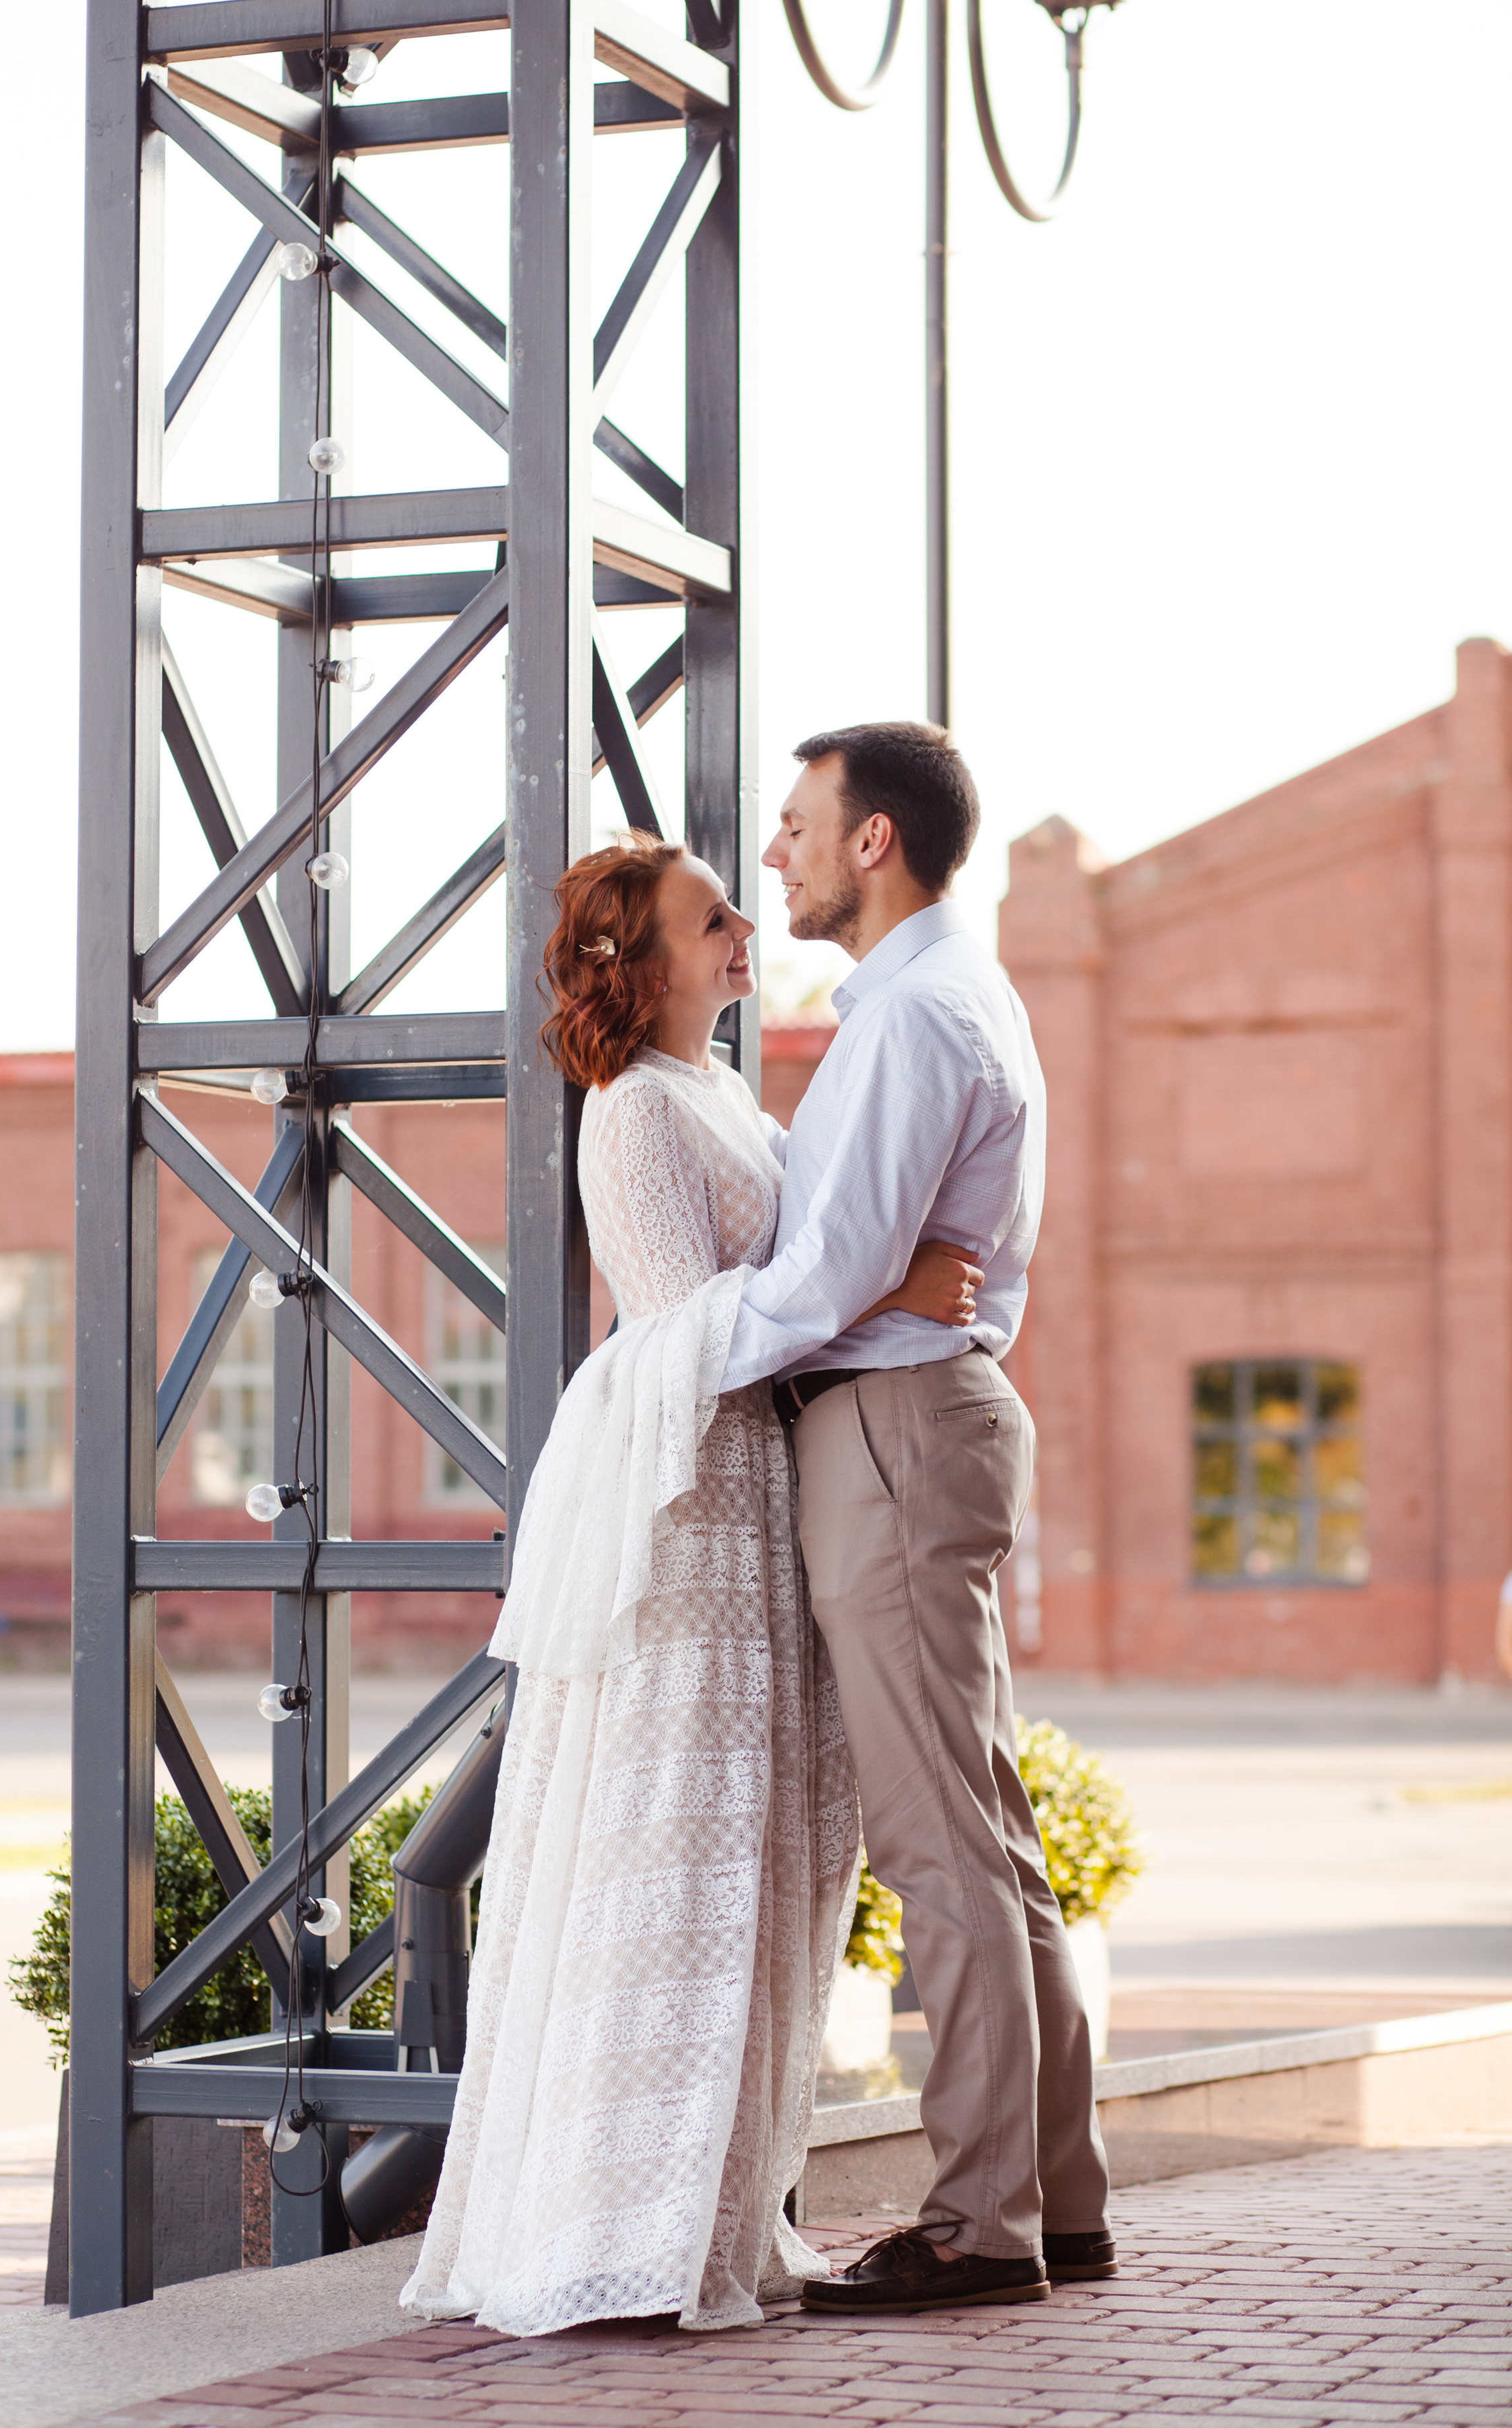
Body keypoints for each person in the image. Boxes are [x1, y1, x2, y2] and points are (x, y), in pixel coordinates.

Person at [400, 836, 978, 2336]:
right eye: (707, 919)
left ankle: (716, 2221)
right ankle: (611, 2230)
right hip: (682, 1511)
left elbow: (795, 1264)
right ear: (638, 965)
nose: (740, 932)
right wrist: (884, 1289)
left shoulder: (723, 1096)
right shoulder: (634, 1114)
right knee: (676, 1840)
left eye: (734, 909)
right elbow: (685, 1332)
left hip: (753, 1497)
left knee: (764, 1849)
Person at [715, 720, 1114, 2315]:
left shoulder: (909, 1018)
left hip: (885, 1429)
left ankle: (978, 2226)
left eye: (798, 825)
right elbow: (865, 1260)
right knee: (989, 1841)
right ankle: (1053, 2205)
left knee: (938, 1846)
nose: (776, 856)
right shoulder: (957, 994)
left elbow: (825, 1278)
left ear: (873, 840)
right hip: (922, 1420)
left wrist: (666, 1365)